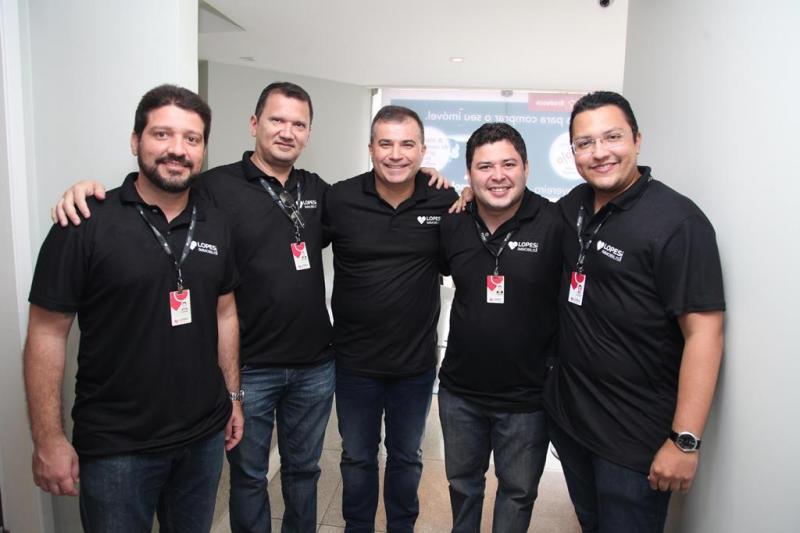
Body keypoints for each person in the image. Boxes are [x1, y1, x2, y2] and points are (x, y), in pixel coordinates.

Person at [50, 88, 452, 533]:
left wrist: (436, 179)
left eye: (298, 124)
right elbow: (160, 191)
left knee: (305, 471)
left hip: (315, 365)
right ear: (254, 123)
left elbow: (396, 196)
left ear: (309, 133)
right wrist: (86, 192)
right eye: (277, 120)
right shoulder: (214, 187)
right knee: (248, 477)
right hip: (249, 366)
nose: (287, 132)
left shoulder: (320, 193)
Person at [23, 84, 243, 532]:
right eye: (162, 134)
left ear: (203, 150)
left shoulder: (216, 224)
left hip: (202, 438)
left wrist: (233, 399)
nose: (177, 149)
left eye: (192, 138)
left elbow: (225, 315)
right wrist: (48, 439)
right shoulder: (84, 222)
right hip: (117, 448)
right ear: (135, 141)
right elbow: (46, 333)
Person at [543, 91, 725, 533]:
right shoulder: (573, 206)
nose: (599, 152)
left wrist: (684, 442)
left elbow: (705, 333)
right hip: (571, 422)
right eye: (585, 143)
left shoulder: (677, 221)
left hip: (633, 439)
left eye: (612, 137)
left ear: (637, 140)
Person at [323, 105, 458, 532]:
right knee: (357, 457)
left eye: (406, 145)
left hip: (414, 366)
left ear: (422, 151)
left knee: (406, 457)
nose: (396, 154)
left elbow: (468, 246)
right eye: (385, 144)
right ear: (370, 149)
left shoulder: (443, 200)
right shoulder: (340, 198)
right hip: (354, 364)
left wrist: (469, 193)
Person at [437, 122, 561, 532]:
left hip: (527, 397)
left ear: (526, 167)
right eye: (485, 166)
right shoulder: (453, 222)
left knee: (518, 492)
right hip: (460, 391)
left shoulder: (554, 223)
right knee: (462, 485)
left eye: (508, 164)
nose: (498, 176)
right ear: (469, 174)